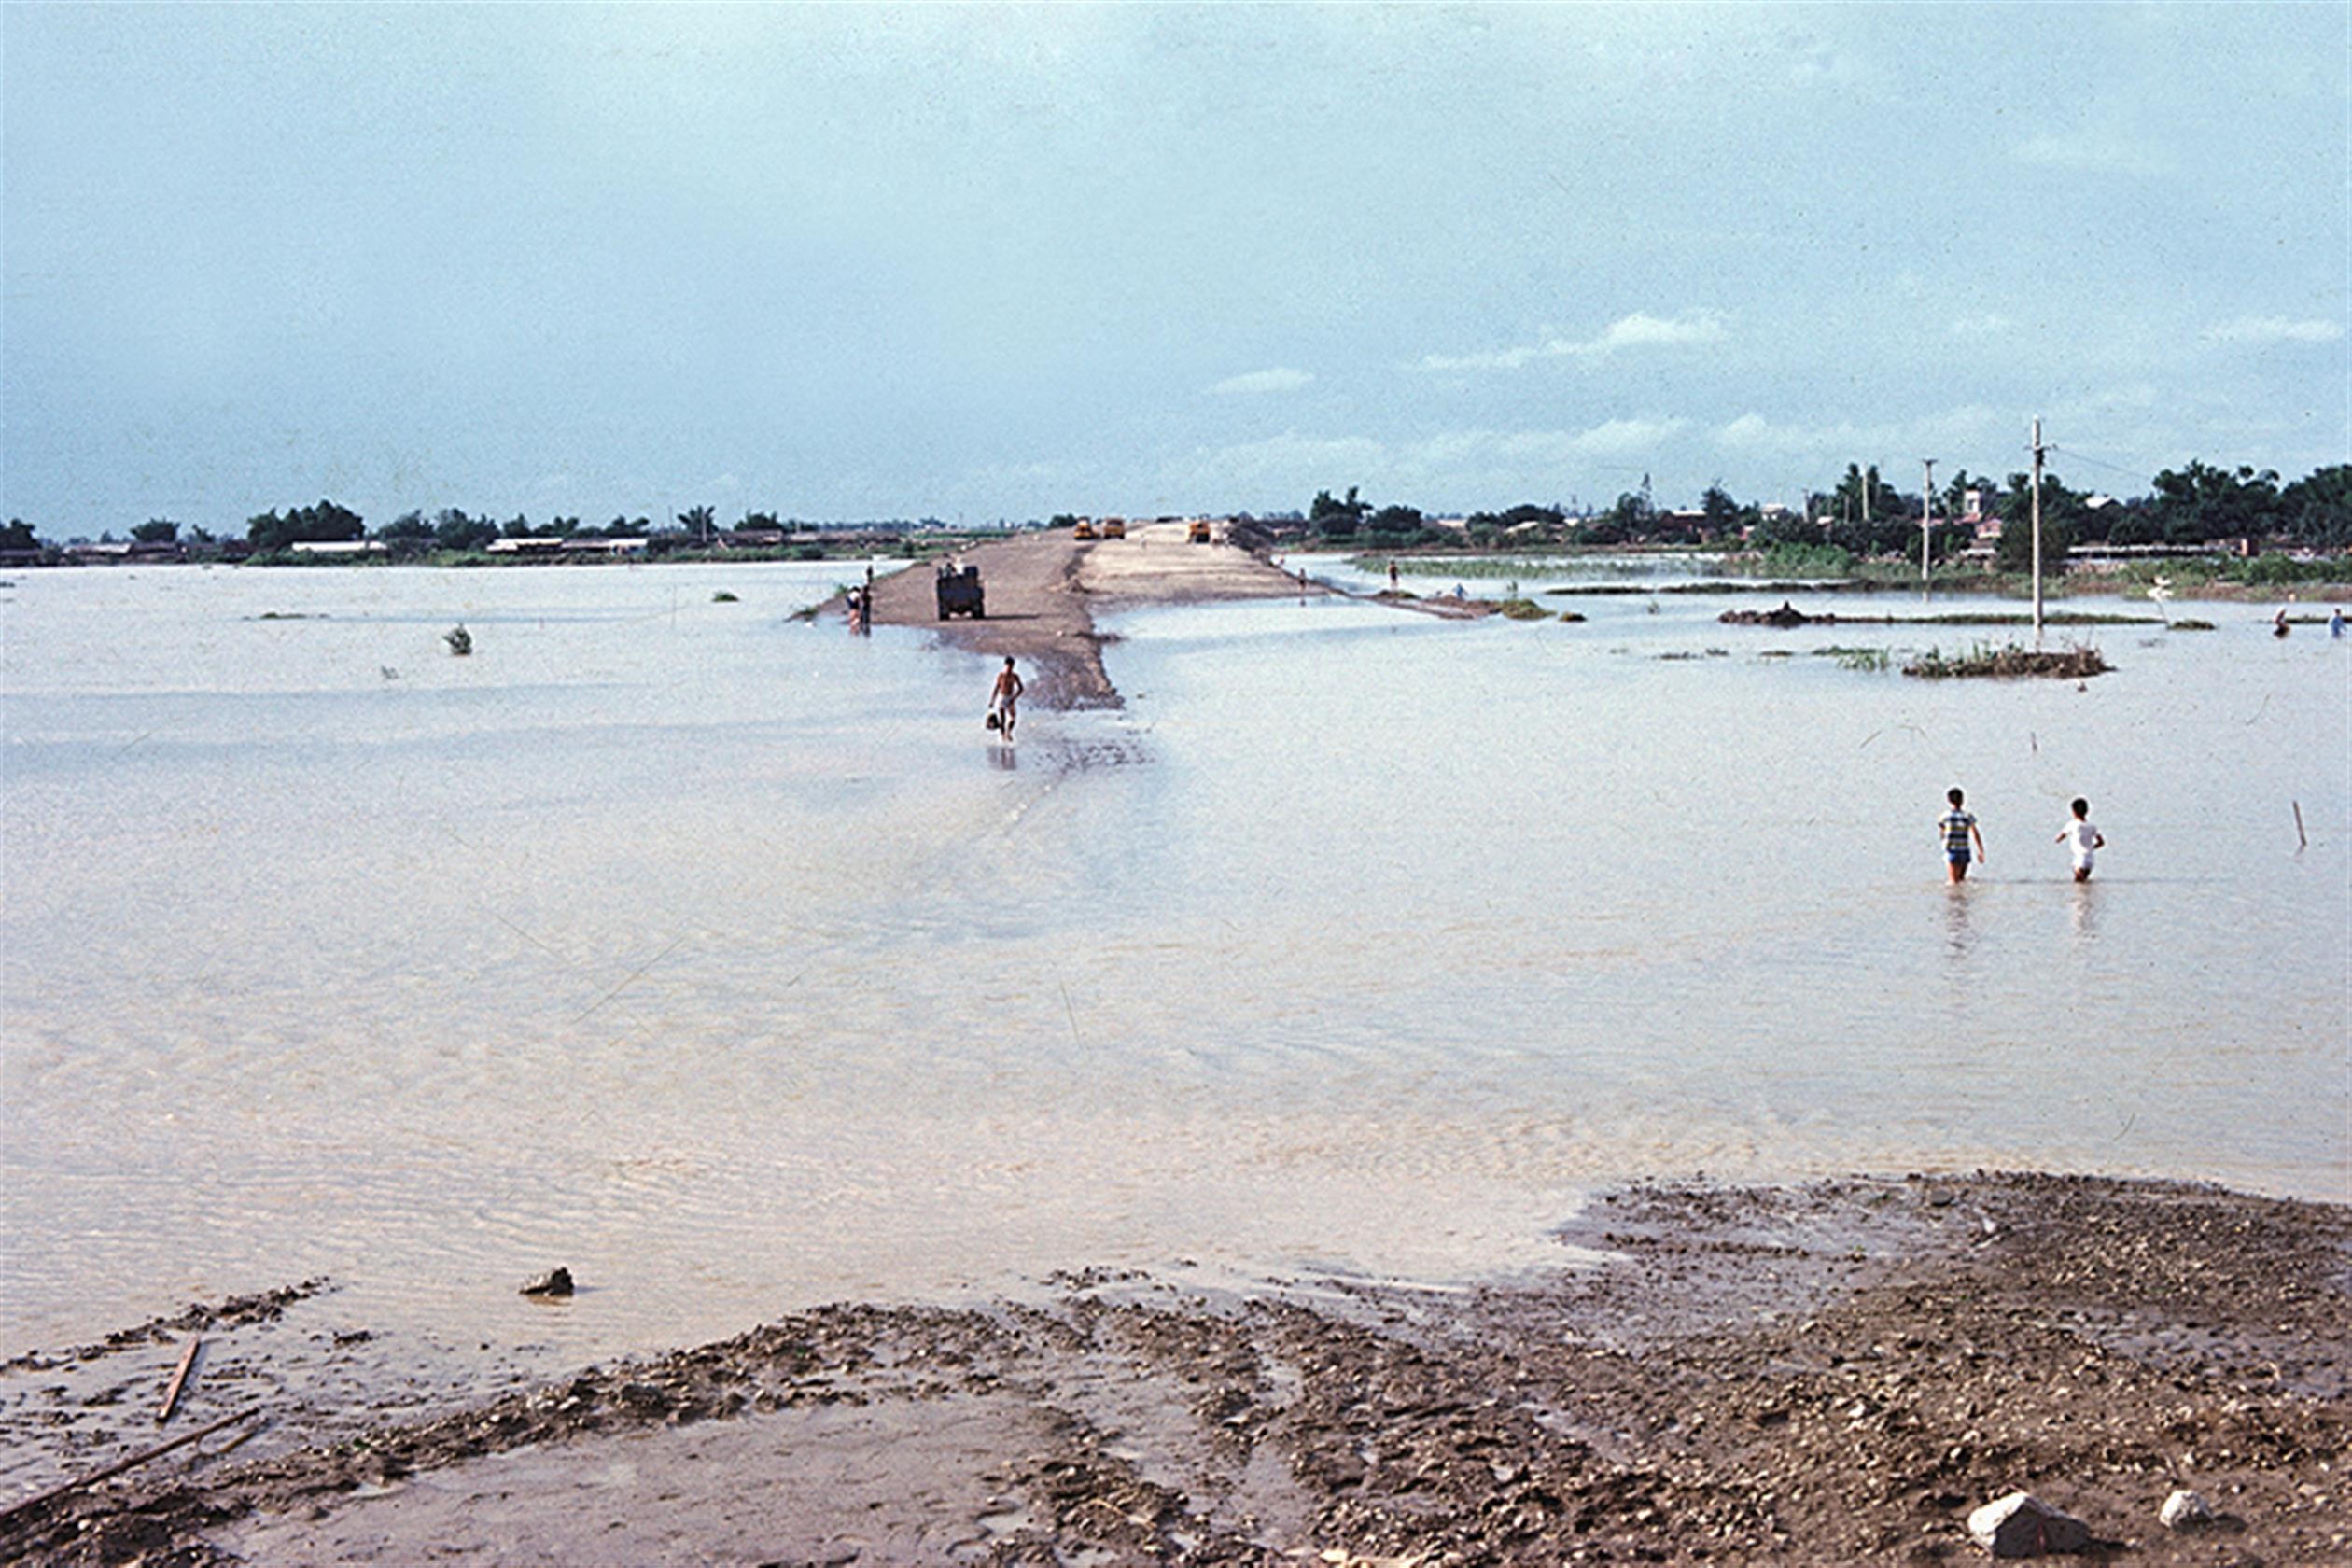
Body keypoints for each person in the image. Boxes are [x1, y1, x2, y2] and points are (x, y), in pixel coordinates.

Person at [1939, 787, 1986, 884]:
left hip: (1952, 849)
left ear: (1948, 800)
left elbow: (1942, 833)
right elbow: (1975, 832)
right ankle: (1962, 898)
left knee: (1953, 882)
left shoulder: (1945, 816)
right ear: (1962, 800)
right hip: (1964, 850)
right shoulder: (1967, 816)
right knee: (1961, 880)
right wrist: (1980, 850)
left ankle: (1954, 898)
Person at [2055, 797, 2106, 883]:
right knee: (2084, 883)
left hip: (2079, 858)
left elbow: (2060, 837)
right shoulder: (2092, 826)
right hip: (2090, 859)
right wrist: (2091, 847)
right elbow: (2101, 842)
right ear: (2087, 811)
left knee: (2078, 884)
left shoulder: (2072, 825)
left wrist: (2058, 839)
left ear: (2073, 812)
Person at [989, 656, 1024, 741]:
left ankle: (1008, 733)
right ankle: (1003, 737)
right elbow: (996, 688)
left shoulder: (1015, 676)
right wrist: (992, 701)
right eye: (1009, 665)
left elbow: (1021, 688)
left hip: (1010, 697)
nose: (1010, 667)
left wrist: (1014, 698)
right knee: (1002, 720)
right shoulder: (1001, 675)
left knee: (1013, 718)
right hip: (1002, 697)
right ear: (1005, 665)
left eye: (1012, 666)